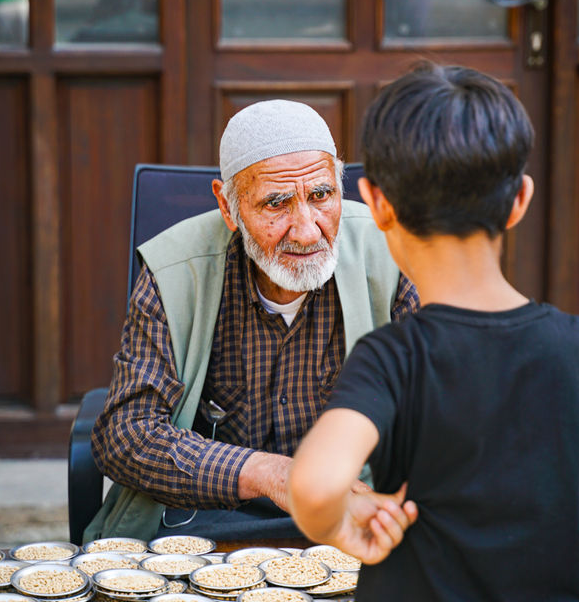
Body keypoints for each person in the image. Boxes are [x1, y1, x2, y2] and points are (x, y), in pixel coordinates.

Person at [288, 62, 579, 602]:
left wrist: (344, 520)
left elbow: (314, 483)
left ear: (372, 204)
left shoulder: (396, 353)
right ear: (520, 201)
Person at [86, 99, 419, 544]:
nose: (306, 230)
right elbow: (126, 435)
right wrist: (270, 474)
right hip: (206, 525)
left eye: (321, 195)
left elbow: (439, 408)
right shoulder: (175, 269)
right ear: (229, 207)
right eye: (276, 204)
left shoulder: (390, 253)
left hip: (351, 515)